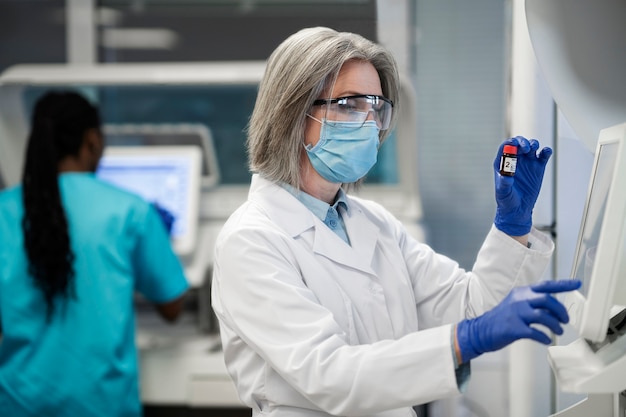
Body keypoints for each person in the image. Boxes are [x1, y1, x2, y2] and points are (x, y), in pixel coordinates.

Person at [211, 26, 580, 417]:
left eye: (376, 108)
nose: (370, 124)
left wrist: (512, 225)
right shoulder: (251, 239)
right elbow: (331, 375)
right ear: (293, 113)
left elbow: (471, 308)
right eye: (350, 105)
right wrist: (462, 342)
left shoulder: (375, 223)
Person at [0, 91, 190, 416]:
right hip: (102, 405)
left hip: (19, 403)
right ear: (92, 140)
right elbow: (172, 307)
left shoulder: (4, 210)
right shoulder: (129, 210)